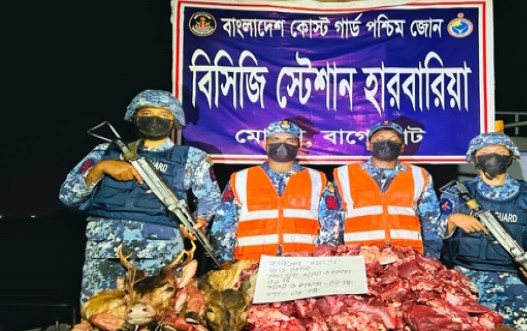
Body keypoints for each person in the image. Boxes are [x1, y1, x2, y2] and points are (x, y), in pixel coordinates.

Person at [59, 89, 222, 308]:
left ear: (174, 121)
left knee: (155, 318)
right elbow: (68, 197)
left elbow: (210, 199)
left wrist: (198, 221)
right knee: (99, 316)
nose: (155, 119)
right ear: (135, 116)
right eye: (147, 113)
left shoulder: (191, 157)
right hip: (105, 251)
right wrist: (100, 169)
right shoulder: (104, 151)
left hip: (159, 253)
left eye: (164, 115)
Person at [436, 132, 527, 331]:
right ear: (474, 158)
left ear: (511, 157)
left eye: (500, 152)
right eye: (485, 152)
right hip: (468, 284)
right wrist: (451, 219)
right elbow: (431, 234)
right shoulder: (455, 194)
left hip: (520, 284)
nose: (493, 157)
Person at [207, 118, 342, 264]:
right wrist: (225, 262)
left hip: (303, 266)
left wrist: (323, 260)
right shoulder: (240, 179)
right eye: (275, 139)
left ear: (299, 145)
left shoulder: (318, 180)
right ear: (265, 144)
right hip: (251, 267)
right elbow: (223, 226)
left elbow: (331, 225)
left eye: (290, 140)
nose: (282, 144)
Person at [332, 120, 442, 259]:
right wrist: (336, 258)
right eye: (379, 139)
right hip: (360, 258)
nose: (386, 143)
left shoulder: (419, 175)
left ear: (402, 147)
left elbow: (430, 221)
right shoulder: (345, 174)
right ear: (368, 145)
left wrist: (431, 258)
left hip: (407, 259)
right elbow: (334, 221)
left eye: (393, 139)